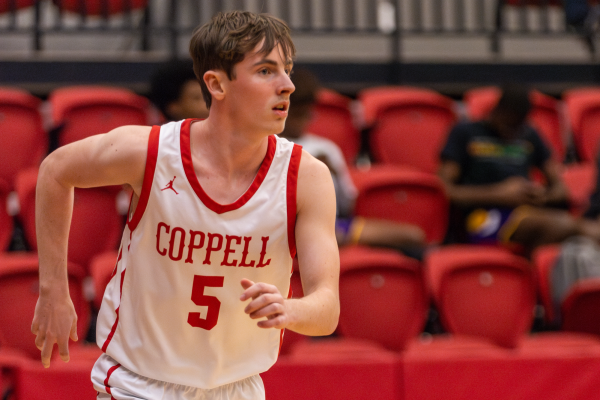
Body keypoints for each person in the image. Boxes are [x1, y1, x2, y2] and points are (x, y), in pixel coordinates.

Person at [31, 11, 340, 400]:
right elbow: (56, 171)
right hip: (138, 385)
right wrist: (54, 290)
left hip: (237, 388)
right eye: (266, 71)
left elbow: (327, 309)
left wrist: (292, 311)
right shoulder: (151, 151)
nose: (288, 86)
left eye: (287, 70)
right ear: (216, 84)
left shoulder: (307, 177)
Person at [438, 83, 600, 256]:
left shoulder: (529, 135)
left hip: (527, 211)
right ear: (499, 110)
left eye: (519, 125)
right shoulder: (465, 133)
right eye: (510, 124)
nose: (514, 132)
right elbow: (443, 189)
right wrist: (498, 194)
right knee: (566, 226)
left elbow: (560, 190)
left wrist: (540, 195)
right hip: (482, 218)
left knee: (568, 229)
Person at [279, 68, 426, 256]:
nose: (304, 121)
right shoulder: (267, 145)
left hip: (335, 225)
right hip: (290, 227)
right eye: (298, 115)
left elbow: (347, 204)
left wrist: (334, 173)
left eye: (308, 114)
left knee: (413, 236)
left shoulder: (326, 148)